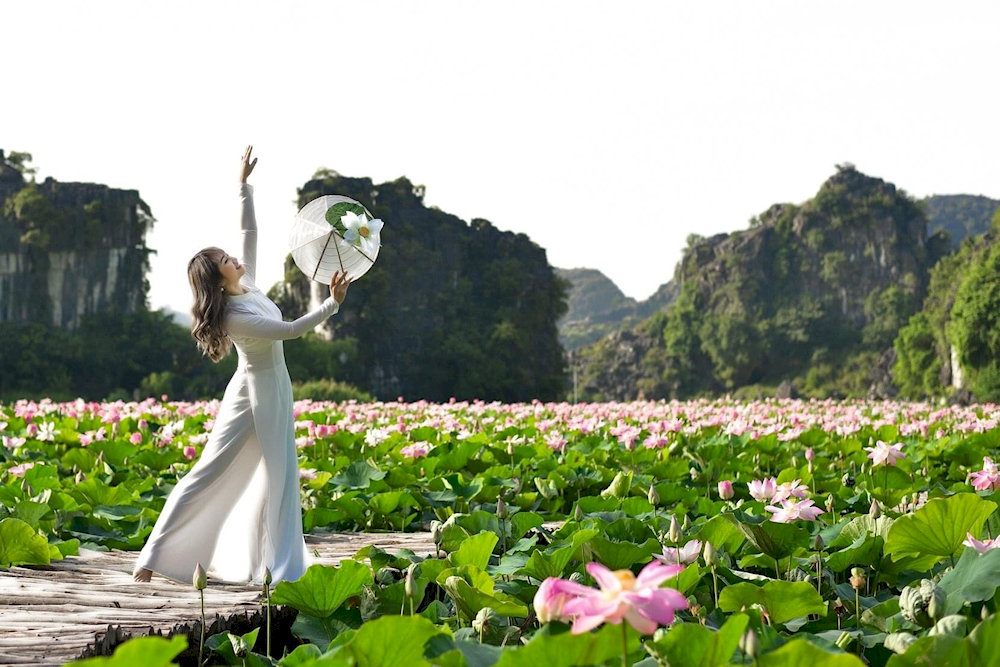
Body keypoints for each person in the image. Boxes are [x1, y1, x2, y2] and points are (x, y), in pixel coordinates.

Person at [133, 146, 350, 585]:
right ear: (220, 278)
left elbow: (249, 230)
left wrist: (243, 185)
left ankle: (274, 562)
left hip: (271, 386)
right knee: (213, 469)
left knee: (278, 476)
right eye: (226, 261)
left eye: (229, 256)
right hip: (256, 392)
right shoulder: (234, 315)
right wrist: (332, 304)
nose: (234, 258)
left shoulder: (244, 283)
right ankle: (153, 556)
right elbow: (288, 330)